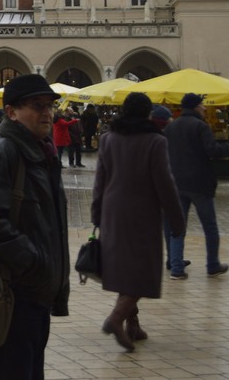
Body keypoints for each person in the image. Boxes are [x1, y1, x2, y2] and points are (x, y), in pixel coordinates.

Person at [0, 73, 70, 380]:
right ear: (11, 112)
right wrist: (31, 260)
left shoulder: (40, 152)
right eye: (37, 105)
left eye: (50, 105)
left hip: (37, 290)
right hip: (16, 291)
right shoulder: (4, 154)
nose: (47, 112)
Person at [91, 91, 185, 352]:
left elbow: (100, 179)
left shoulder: (109, 138)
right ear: (148, 114)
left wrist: (96, 212)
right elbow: (164, 182)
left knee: (124, 267)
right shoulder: (155, 140)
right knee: (143, 269)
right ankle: (116, 318)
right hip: (143, 212)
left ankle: (133, 325)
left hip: (113, 210)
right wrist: (177, 218)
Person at [166, 92, 229, 279]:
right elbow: (212, 150)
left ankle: (177, 268)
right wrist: (228, 146)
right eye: (202, 105)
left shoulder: (171, 127)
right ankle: (212, 264)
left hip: (177, 182)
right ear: (195, 106)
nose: (204, 108)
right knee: (209, 226)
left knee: (178, 227)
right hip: (200, 184)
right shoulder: (200, 126)